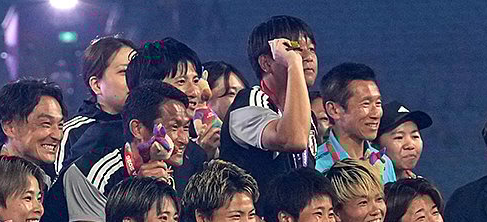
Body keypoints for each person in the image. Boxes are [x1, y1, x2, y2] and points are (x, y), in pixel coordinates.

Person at [41, 81, 189, 222]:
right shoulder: (92, 171)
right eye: (174, 127)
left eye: (186, 128)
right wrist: (137, 193)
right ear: (138, 129)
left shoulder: (174, 171)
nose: (184, 139)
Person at [220, 16, 318, 193]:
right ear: (266, 63)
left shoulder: (307, 117)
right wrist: (293, 64)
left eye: (311, 49)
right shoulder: (248, 105)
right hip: (254, 219)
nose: (308, 57)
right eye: (295, 50)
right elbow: (293, 139)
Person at [126, 38, 218, 162]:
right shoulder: (113, 155)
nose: (195, 92)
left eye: (196, 80)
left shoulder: (196, 155)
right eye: (181, 81)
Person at [56, 36, 135, 172]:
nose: (134, 79)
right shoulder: (72, 133)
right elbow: (62, 188)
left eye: (137, 71)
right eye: (124, 72)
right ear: (96, 85)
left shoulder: (149, 127)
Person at [314, 63, 395, 185]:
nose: (376, 114)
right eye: (366, 104)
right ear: (334, 110)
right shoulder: (317, 166)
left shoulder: (384, 163)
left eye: (378, 103)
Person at [0, 78, 66, 182]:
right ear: (10, 127)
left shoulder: (60, 180)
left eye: (60, 126)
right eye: (46, 124)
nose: (57, 135)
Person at [377, 102, 431, 181]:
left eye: (415, 136)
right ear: (375, 144)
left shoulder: (420, 187)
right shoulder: (364, 186)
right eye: (399, 137)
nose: (410, 145)